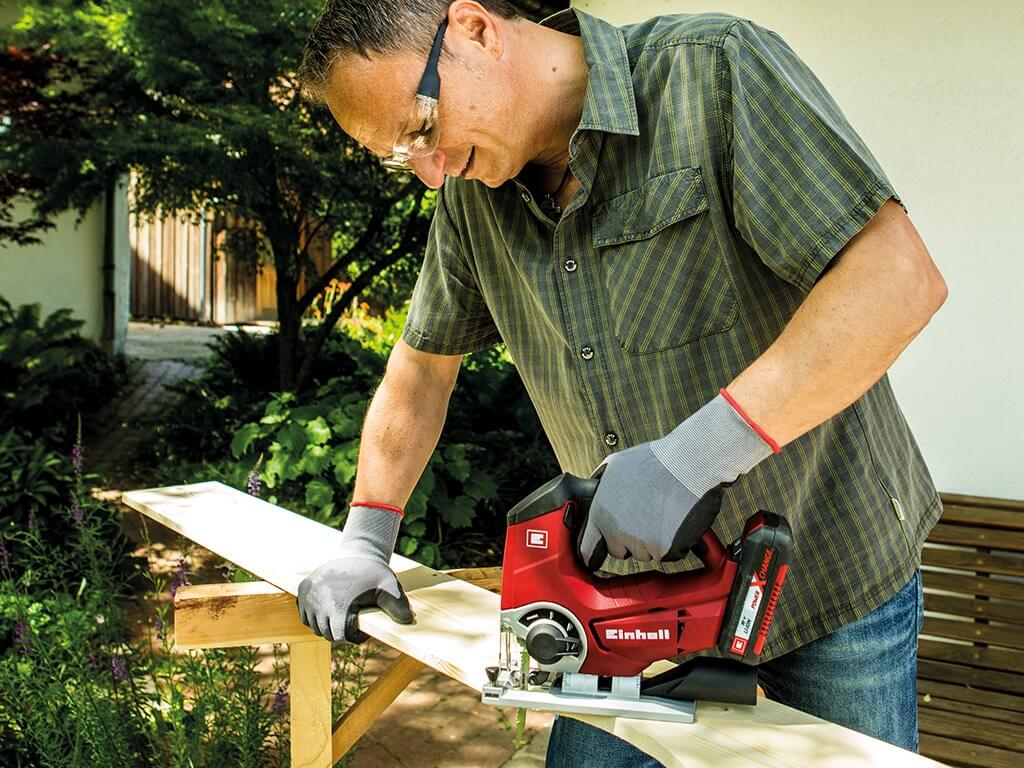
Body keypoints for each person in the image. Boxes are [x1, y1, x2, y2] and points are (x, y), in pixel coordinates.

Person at [295, 1, 948, 763]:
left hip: (824, 574)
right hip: (626, 605)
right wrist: (367, 537)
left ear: (474, 30)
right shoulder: (475, 192)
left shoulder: (709, 71)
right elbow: (420, 370)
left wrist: (693, 456)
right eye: (398, 156)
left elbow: (898, 281)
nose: (431, 173)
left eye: (420, 127)